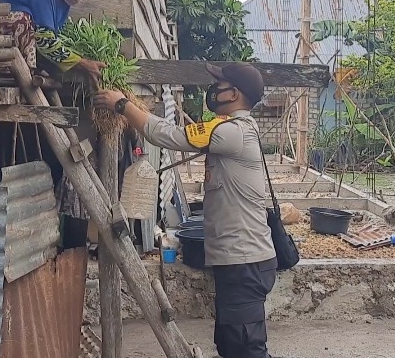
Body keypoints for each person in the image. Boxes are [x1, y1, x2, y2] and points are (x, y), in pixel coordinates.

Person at [94, 62, 278, 358]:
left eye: (219, 85)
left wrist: (123, 104)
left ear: (234, 94)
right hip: (241, 260)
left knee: (247, 348)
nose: (214, 90)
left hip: (246, 262)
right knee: (232, 345)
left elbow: (169, 135)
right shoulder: (233, 130)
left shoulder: (231, 132)